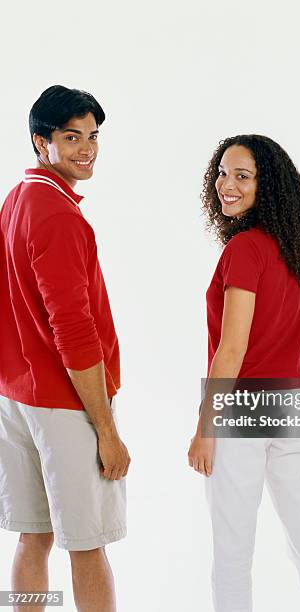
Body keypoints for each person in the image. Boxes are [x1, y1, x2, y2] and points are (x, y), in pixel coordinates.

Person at [188, 135, 300, 612]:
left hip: (243, 410)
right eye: (223, 171)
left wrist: (206, 426)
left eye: (243, 176)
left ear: (268, 186)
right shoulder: (295, 251)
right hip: (293, 404)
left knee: (232, 555)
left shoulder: (245, 249)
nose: (226, 184)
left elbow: (233, 348)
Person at [0, 85, 130, 612]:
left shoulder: (16, 199)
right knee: (86, 542)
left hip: (16, 397)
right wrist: (106, 429)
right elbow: (73, 331)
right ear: (41, 142)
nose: (86, 149)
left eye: (93, 136)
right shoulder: (58, 215)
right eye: (71, 137)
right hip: (64, 402)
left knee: (34, 535)